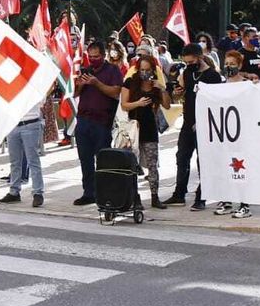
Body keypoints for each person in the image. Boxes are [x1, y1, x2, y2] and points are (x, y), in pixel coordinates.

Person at [164, 44, 221, 209]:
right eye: (186, 62)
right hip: (188, 121)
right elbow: (182, 93)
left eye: (191, 61)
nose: (189, 64)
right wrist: (177, 92)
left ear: (200, 57)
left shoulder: (212, 76)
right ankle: (179, 193)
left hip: (204, 123)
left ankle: (201, 196)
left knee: (203, 161)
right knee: (182, 158)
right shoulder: (188, 73)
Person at [70, 38, 123, 207]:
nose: (93, 60)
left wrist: (96, 83)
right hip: (84, 120)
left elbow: (116, 92)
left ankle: (104, 193)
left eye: (96, 56)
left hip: (102, 121)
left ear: (103, 54)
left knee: (103, 159)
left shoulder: (112, 70)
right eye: (90, 57)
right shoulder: (86, 70)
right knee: (85, 159)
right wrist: (80, 85)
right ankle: (88, 192)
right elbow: (75, 94)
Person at [118, 52, 171, 210]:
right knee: (133, 165)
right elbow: (124, 105)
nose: (145, 73)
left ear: (153, 70)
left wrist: (162, 89)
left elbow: (167, 105)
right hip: (134, 128)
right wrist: (138, 103)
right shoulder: (130, 82)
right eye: (142, 69)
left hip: (150, 128)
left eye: (148, 70)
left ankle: (155, 196)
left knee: (152, 164)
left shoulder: (155, 85)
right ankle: (135, 197)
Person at [210, 50, 257, 219]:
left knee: (241, 168)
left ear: (240, 65)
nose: (229, 67)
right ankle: (227, 200)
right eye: (227, 64)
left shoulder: (247, 84)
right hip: (224, 133)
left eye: (232, 64)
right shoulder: (221, 85)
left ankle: (245, 204)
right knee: (225, 167)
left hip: (242, 133)